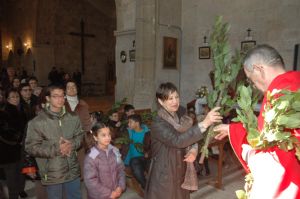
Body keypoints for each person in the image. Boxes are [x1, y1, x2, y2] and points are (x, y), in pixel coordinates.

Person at [214, 44, 300, 199]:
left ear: (259, 69)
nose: (253, 85)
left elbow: (275, 151)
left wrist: (249, 153)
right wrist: (231, 129)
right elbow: (267, 133)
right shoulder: (294, 82)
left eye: (250, 79)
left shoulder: (279, 94)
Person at [145, 82, 222, 199]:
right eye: (170, 98)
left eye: (176, 97)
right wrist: (205, 123)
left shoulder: (182, 114)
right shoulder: (158, 123)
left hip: (181, 168)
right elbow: (178, 141)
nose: (175, 101)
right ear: (160, 101)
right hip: (165, 173)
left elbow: (190, 136)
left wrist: (194, 150)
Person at [25, 85, 83, 199]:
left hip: (72, 169)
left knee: (75, 196)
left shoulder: (73, 117)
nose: (60, 99)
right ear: (47, 98)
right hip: (52, 172)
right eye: (55, 96)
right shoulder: (37, 122)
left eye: (62, 96)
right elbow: (31, 147)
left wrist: (71, 144)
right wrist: (57, 149)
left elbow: (80, 136)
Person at [83, 122, 126, 199]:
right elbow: (90, 181)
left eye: (109, 134)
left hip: (115, 193)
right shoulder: (92, 156)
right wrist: (109, 193)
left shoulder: (114, 151)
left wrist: (120, 187)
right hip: (99, 196)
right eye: (103, 135)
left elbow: (121, 170)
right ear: (95, 137)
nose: (108, 138)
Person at [0, 89, 27, 199]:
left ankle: (20, 190)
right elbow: (4, 132)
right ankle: (13, 196)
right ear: (7, 99)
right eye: (13, 97)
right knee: (12, 176)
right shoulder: (4, 112)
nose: (16, 99)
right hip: (8, 150)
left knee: (21, 172)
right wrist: (19, 139)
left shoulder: (21, 110)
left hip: (20, 147)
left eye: (17, 96)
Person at [65, 79, 91, 180]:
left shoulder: (83, 103)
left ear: (77, 89)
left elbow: (87, 122)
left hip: (81, 136)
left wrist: (89, 137)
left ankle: (80, 179)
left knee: (81, 160)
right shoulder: (61, 103)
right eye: (68, 87)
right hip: (66, 137)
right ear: (65, 90)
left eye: (74, 87)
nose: (71, 89)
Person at [123, 114, 151, 189]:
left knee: (153, 169)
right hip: (134, 159)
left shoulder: (147, 133)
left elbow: (152, 146)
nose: (128, 124)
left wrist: (148, 153)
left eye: (130, 122)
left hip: (146, 157)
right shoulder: (128, 132)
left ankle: (153, 185)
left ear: (137, 123)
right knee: (136, 167)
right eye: (128, 122)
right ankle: (146, 187)